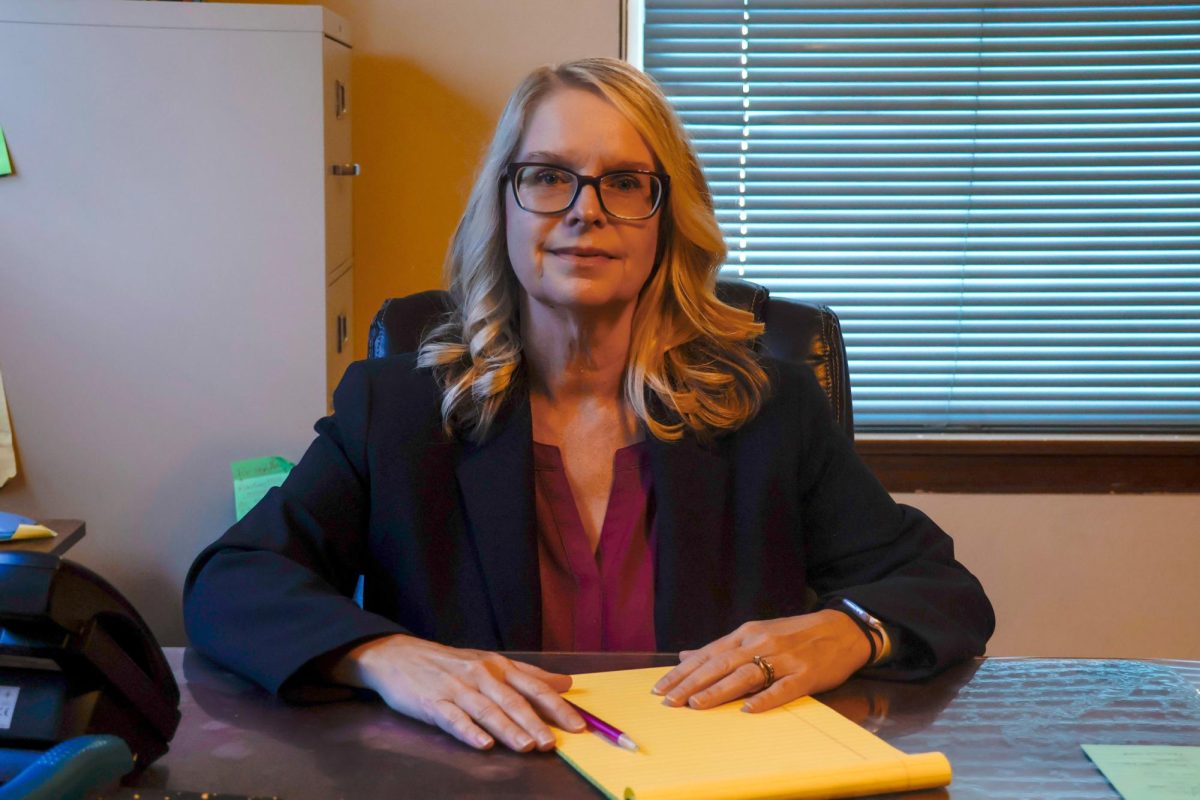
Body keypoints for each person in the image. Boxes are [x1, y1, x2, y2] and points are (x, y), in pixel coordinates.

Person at [184, 57, 994, 755]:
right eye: (547, 176)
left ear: (666, 218)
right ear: (503, 206)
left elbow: (940, 588)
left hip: (713, 785)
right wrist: (385, 655)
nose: (585, 209)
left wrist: (846, 629)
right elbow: (235, 581)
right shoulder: (397, 410)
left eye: (625, 182)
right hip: (478, 781)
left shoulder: (768, 410)